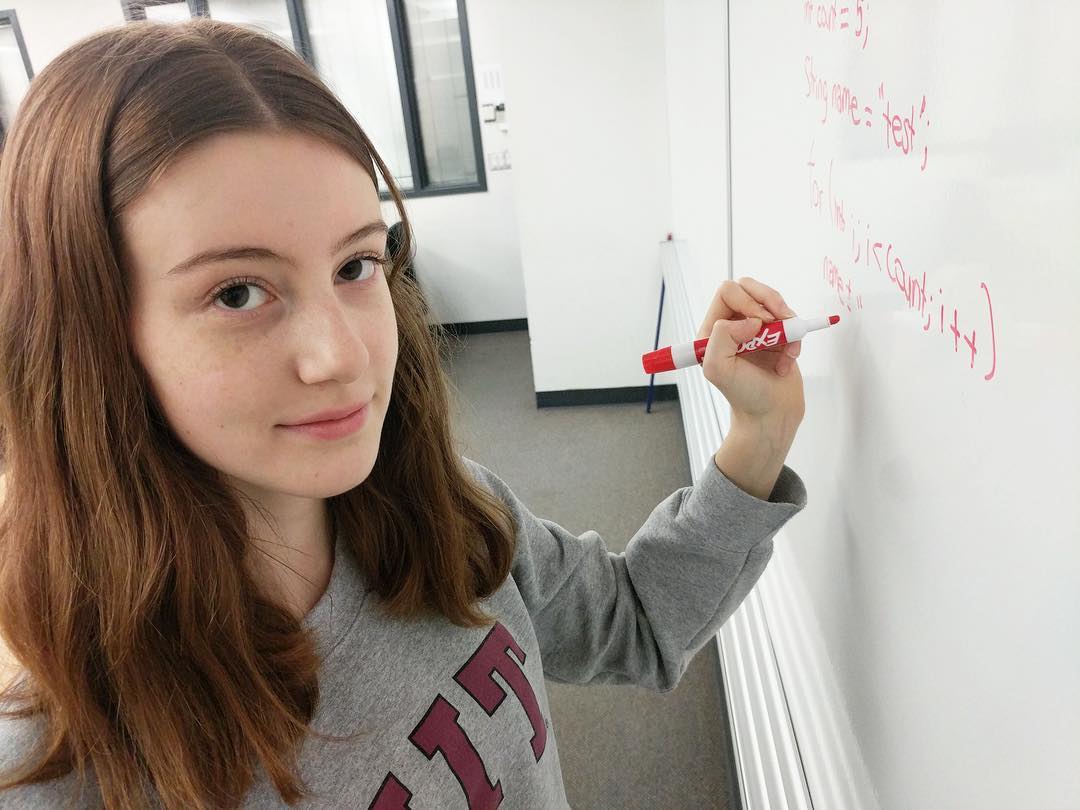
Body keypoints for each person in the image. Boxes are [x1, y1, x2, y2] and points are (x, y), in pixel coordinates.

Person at [0, 17, 807, 810]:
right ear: (88, 335)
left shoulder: (446, 510)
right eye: (237, 292)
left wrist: (759, 432)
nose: (343, 356)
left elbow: (635, 622)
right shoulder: (58, 771)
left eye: (356, 265)